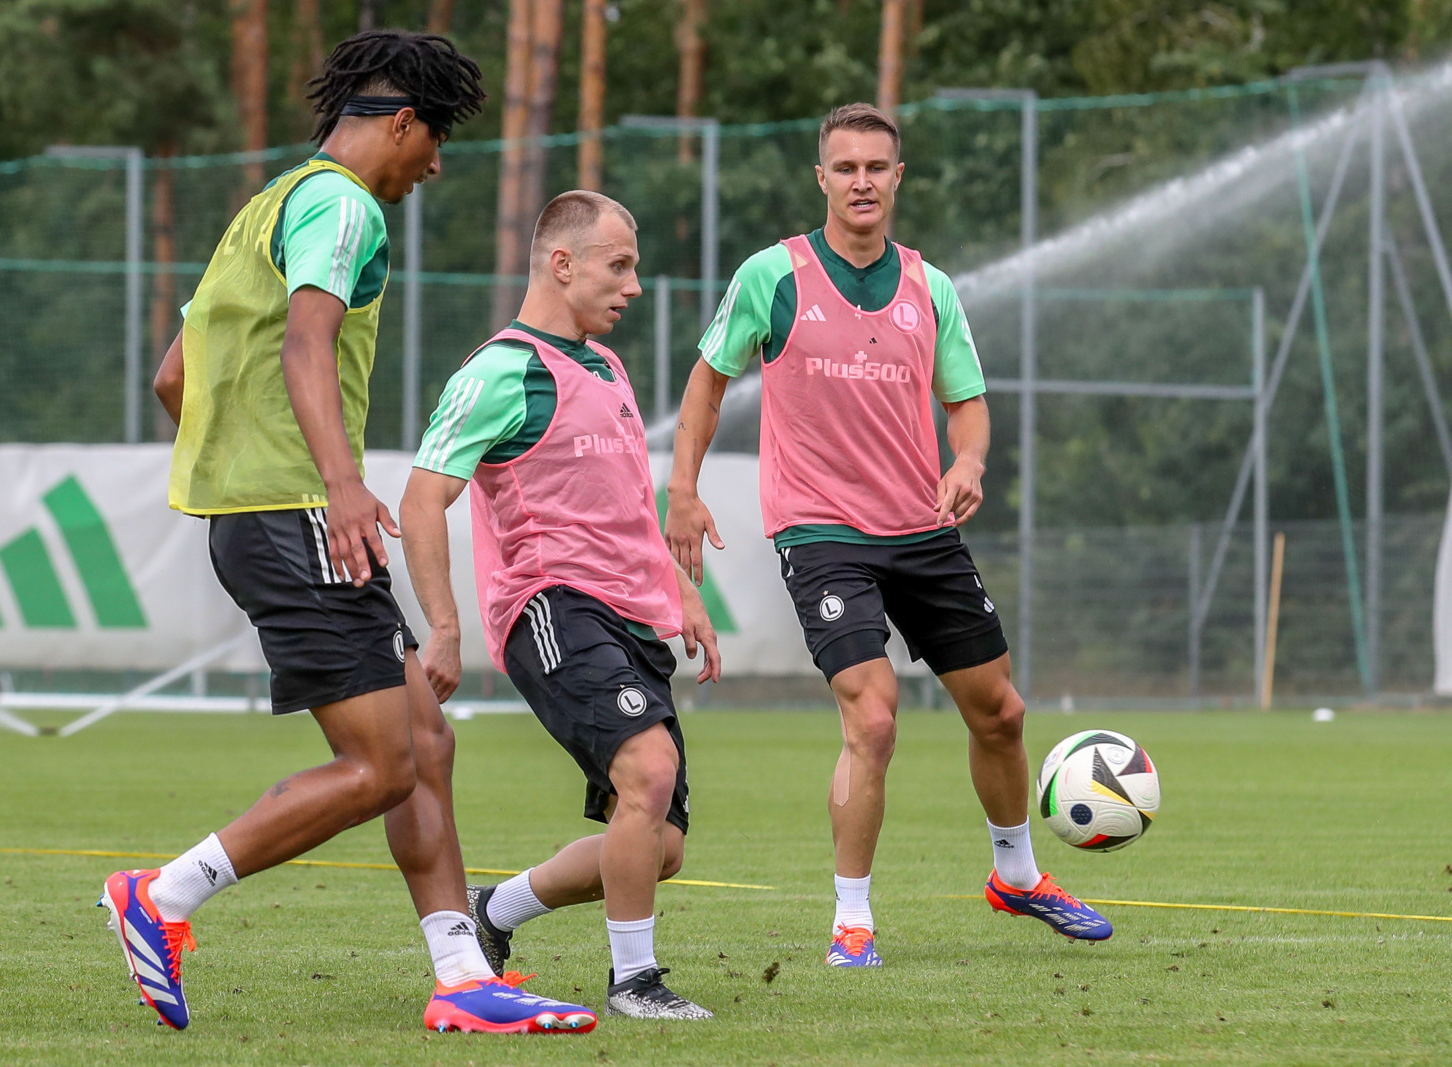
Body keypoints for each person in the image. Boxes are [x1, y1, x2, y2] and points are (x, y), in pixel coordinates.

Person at [101, 30, 596, 1035]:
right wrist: (332, 484)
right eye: (434, 141)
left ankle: (461, 973)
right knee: (378, 765)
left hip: (269, 514)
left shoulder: (267, 207)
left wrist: (249, 476)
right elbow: (311, 337)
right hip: (299, 517)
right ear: (402, 122)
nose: (435, 165)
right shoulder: (344, 205)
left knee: (424, 740)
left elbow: (173, 378)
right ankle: (163, 894)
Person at [663, 103, 1112, 967]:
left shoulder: (928, 286)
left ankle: (1017, 875)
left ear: (897, 178)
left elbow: (967, 406)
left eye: (878, 166)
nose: (862, 180)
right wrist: (681, 489)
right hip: (823, 531)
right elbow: (707, 385)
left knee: (1003, 712)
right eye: (846, 167)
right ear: (822, 178)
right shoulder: (774, 275)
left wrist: (970, 462)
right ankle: (852, 920)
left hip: (924, 528)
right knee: (873, 716)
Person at [399, 190, 722, 1020]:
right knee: (648, 771)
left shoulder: (605, 366)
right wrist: (444, 625)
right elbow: (422, 498)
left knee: (662, 845)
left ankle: (493, 911)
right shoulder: (500, 369)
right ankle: (635, 982)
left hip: (632, 615)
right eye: (621, 266)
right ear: (561, 263)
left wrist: (681, 589)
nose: (635, 286)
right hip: (552, 606)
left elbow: (622, 501)